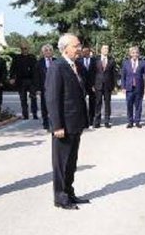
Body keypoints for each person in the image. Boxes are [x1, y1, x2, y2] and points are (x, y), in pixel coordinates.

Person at [45, 33, 90, 210]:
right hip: (63, 124)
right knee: (61, 162)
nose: (79, 49)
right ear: (65, 48)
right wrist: (57, 125)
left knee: (71, 161)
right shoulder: (57, 67)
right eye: (76, 46)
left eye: (79, 46)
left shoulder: (76, 65)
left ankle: (69, 192)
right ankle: (60, 197)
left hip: (75, 122)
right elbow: (52, 98)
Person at [121, 46, 145, 128]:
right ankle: (130, 122)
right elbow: (123, 76)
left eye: (136, 53)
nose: (135, 54)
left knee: (138, 105)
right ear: (130, 54)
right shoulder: (125, 63)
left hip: (139, 87)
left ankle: (137, 121)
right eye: (133, 53)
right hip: (129, 87)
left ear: (138, 54)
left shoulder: (143, 62)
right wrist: (123, 87)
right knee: (129, 105)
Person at [9, 43, 38, 119]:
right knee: (23, 99)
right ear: (20, 49)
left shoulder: (32, 57)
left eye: (25, 48)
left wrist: (37, 82)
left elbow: (36, 69)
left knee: (33, 97)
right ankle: (25, 114)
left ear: (28, 49)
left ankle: (34, 113)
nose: (24, 50)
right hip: (21, 81)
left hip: (31, 80)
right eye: (22, 49)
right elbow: (12, 69)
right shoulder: (17, 58)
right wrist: (12, 78)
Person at [92, 44, 118, 128]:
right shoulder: (95, 60)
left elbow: (114, 74)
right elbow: (91, 73)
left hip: (108, 85)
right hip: (98, 84)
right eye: (104, 48)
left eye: (107, 48)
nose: (106, 50)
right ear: (101, 50)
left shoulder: (112, 60)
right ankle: (97, 122)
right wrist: (92, 84)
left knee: (107, 103)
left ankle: (107, 121)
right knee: (98, 103)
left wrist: (114, 85)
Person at [33, 44, 55, 130]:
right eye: (46, 50)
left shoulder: (56, 61)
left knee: (54, 106)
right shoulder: (39, 63)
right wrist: (38, 89)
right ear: (43, 52)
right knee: (44, 106)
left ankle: (54, 123)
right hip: (44, 88)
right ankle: (46, 124)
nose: (48, 52)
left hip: (55, 87)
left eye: (50, 50)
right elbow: (36, 77)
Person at [76, 45, 97, 125]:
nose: (85, 53)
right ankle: (83, 119)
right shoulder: (78, 61)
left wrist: (95, 84)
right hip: (82, 85)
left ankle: (91, 118)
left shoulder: (94, 60)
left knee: (92, 102)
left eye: (87, 51)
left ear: (89, 52)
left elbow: (96, 73)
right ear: (81, 52)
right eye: (84, 51)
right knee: (81, 102)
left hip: (92, 85)